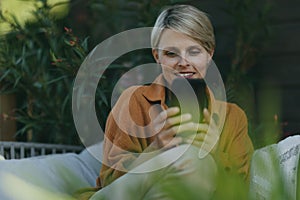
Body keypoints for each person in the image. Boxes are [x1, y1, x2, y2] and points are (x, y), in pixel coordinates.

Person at [86, 4, 254, 199]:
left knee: (192, 163)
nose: (183, 62)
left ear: (210, 55)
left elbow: (240, 192)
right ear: (157, 56)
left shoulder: (233, 117)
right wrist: (155, 151)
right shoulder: (134, 101)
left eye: (194, 51)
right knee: (188, 157)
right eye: (171, 54)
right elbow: (110, 182)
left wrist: (215, 154)